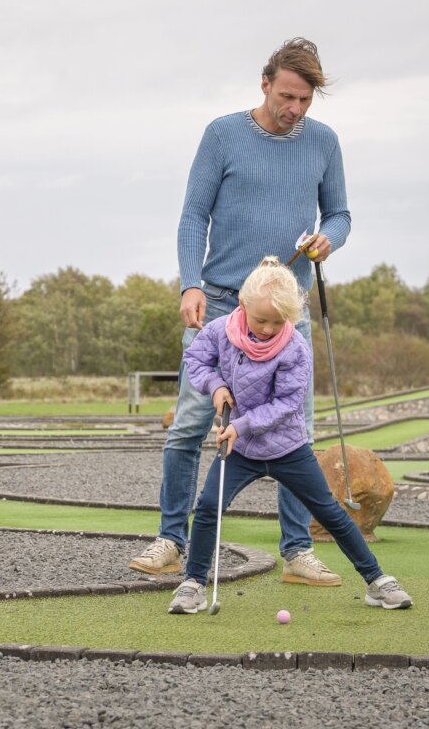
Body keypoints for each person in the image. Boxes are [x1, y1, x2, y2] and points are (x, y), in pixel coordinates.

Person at [130, 37, 351, 585]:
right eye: (287, 96)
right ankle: (171, 542)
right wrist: (189, 283)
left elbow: (341, 214)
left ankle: (298, 553)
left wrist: (329, 240)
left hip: (287, 310)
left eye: (305, 100)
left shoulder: (323, 142)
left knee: (294, 430)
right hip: (221, 303)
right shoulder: (222, 135)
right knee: (189, 425)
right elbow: (192, 216)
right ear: (265, 83)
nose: (294, 109)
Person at [167, 258, 412, 613]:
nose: (267, 329)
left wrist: (240, 424)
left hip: (287, 446)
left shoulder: (295, 347)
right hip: (240, 448)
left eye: (278, 322)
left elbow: (285, 404)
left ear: (291, 317)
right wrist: (217, 385)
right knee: (207, 508)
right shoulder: (220, 330)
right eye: (260, 320)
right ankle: (193, 584)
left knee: (329, 511)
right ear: (243, 306)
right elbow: (196, 359)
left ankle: (376, 581)